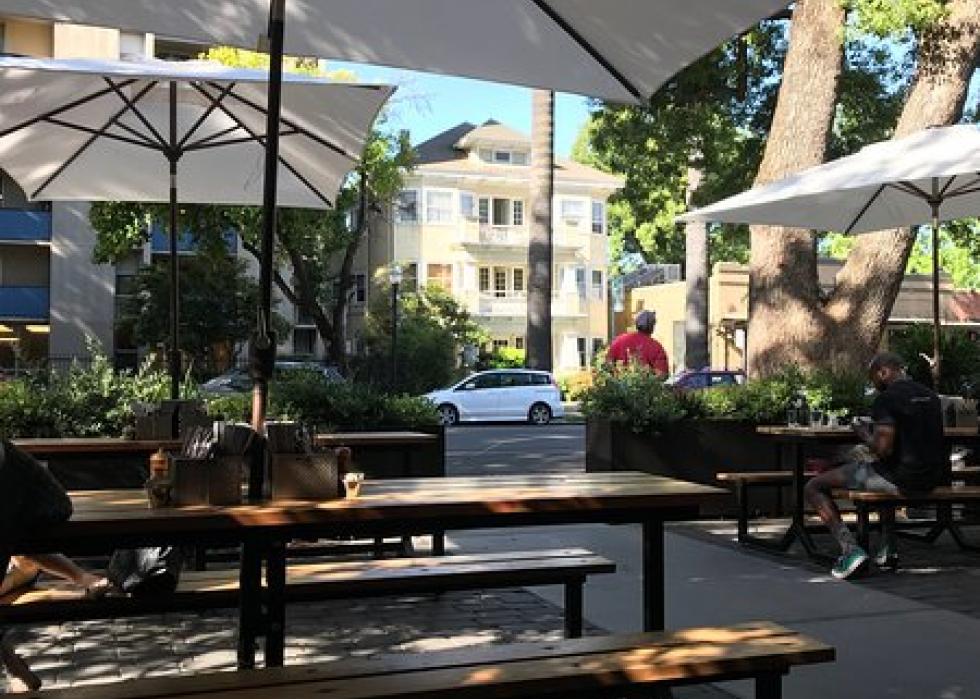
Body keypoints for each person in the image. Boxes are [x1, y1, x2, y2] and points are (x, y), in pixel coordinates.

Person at [804, 352, 946, 580]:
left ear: (883, 372)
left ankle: (850, 550)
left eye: (873, 378)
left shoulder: (887, 399)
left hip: (902, 479)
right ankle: (887, 548)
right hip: (934, 477)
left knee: (814, 486)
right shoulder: (931, 396)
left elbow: (883, 449)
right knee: (877, 468)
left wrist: (862, 433)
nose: (874, 385)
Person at [607, 310, 669, 376]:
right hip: (645, 382)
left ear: (636, 324)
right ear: (652, 327)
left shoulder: (619, 341)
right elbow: (662, 374)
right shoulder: (657, 347)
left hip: (618, 381)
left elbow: (607, 366)